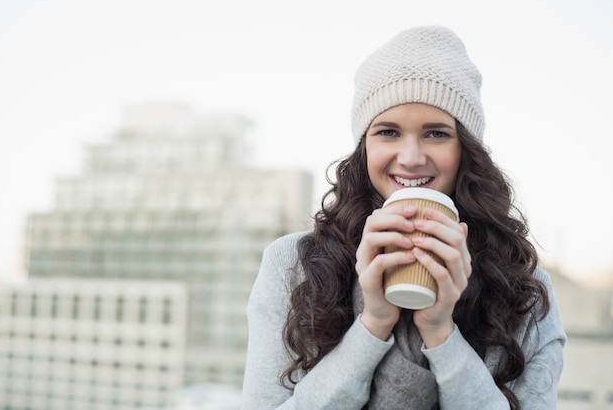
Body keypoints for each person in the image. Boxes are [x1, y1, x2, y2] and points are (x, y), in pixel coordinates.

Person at [241, 25, 566, 410]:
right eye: (388, 132)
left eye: (437, 134)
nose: (411, 157)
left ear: (467, 149)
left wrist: (440, 331)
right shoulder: (293, 264)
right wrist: (373, 323)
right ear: (364, 147)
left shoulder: (522, 287)